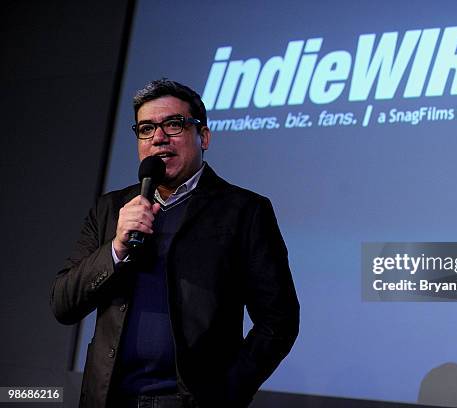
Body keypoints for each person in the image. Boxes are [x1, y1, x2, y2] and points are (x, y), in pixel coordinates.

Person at [50, 79, 300, 408]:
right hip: (109, 398)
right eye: (146, 128)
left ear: (204, 137)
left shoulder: (244, 211)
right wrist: (117, 248)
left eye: (173, 124)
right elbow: (64, 304)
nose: (158, 137)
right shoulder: (111, 209)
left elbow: (278, 321)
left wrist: (227, 392)